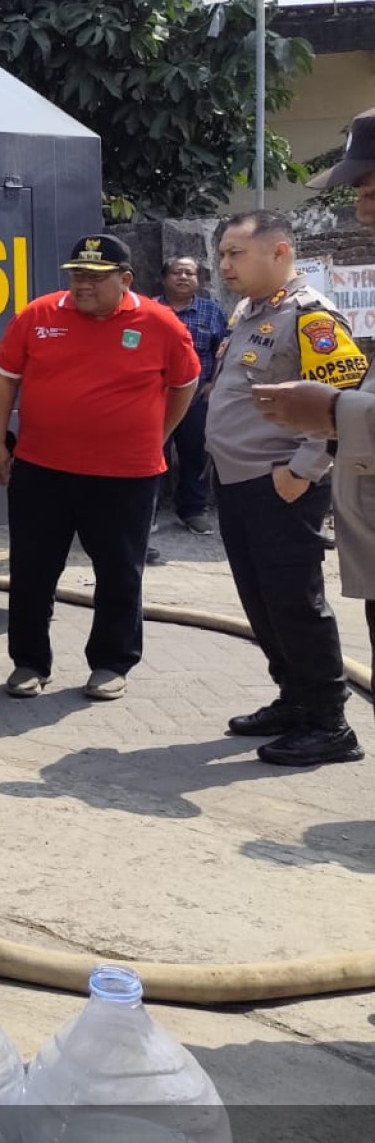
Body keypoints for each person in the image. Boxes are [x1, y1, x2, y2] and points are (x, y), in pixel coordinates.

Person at [0, 235, 199, 701]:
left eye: (94, 278)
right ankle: (29, 662)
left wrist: (155, 435)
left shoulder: (159, 323)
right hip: (42, 470)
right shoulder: (38, 315)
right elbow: (5, 382)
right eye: (77, 275)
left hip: (126, 476)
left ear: (125, 280)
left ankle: (111, 662)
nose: (82, 285)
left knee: (120, 572)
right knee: (32, 569)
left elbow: (185, 384)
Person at [209, 208, 367, 766]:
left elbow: (341, 405)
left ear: (279, 253)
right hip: (239, 481)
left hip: (281, 484)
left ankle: (330, 723)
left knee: (296, 603)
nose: (223, 263)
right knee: (262, 602)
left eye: (235, 253)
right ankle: (295, 699)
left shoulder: (312, 318)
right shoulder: (250, 310)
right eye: (223, 252)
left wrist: (303, 470)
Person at [156, 255, 227, 533]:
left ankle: (193, 510)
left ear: (198, 280)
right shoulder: (148, 310)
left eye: (189, 273)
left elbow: (224, 351)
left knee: (195, 453)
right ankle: (146, 511)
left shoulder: (212, 312)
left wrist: (213, 383)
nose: (183, 277)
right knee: (151, 452)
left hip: (197, 397)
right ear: (164, 278)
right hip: (154, 397)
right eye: (176, 272)